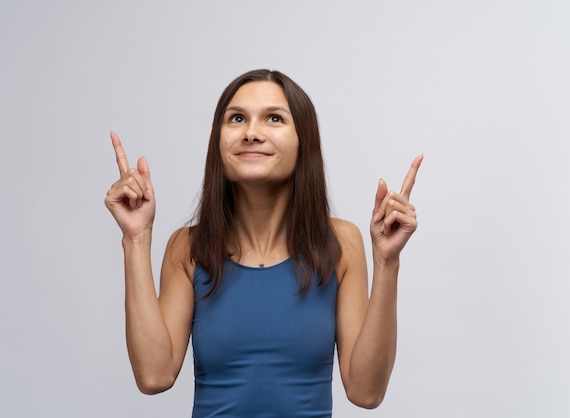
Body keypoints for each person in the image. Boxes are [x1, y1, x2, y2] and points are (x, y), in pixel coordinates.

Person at [105, 69, 423, 417]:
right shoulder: (188, 248)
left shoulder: (341, 244)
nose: (251, 133)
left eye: (274, 118)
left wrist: (387, 263)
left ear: (304, 142)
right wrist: (136, 239)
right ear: (218, 141)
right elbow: (154, 375)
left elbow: (366, 392)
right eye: (237, 118)